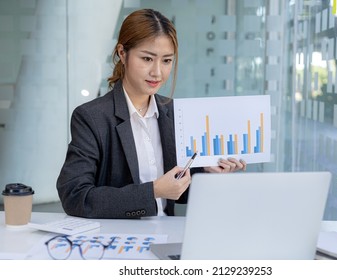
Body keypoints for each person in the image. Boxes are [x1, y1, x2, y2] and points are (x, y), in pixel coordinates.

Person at [56, 9, 246, 219]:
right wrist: (153, 191)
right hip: (117, 241)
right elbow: (75, 196)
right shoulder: (92, 117)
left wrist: (209, 175)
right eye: (147, 58)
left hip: (168, 235)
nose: (157, 72)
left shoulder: (173, 113)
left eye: (166, 61)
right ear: (122, 53)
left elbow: (180, 193)